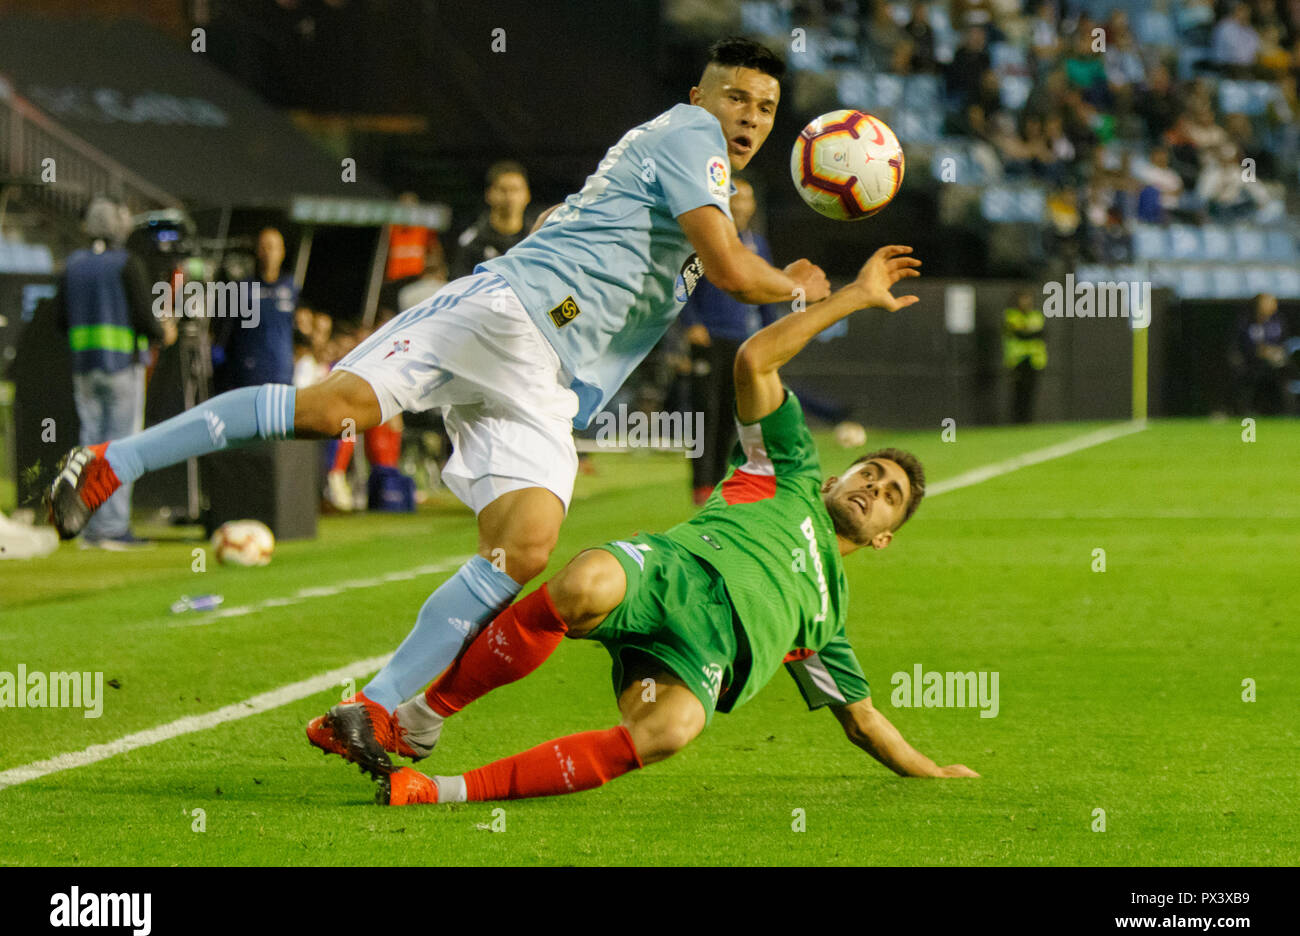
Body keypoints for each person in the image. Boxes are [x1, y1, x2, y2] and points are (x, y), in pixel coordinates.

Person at [46, 38, 831, 754]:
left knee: (523, 545)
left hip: (547, 382)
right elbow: (732, 273)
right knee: (331, 412)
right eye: (736, 98)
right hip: (509, 313)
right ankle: (111, 462)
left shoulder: (697, 171)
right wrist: (795, 286)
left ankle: (375, 707)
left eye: (764, 108)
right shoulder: (689, 136)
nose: (750, 118)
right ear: (700, 97)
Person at [323, 246, 977, 805]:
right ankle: (422, 719)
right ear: (838, 478)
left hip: (691, 663)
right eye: (870, 474)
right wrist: (856, 297)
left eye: (890, 495)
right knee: (585, 584)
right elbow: (754, 361)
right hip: (665, 577)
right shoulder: (791, 469)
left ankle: (441, 792)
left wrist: (932, 771)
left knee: (671, 731)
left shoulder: (827, 619)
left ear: (884, 536)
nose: (874, 488)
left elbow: (862, 721)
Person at [55, 198, 176, 549]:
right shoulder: (126, 263)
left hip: (84, 370)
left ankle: (88, 526)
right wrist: (162, 332)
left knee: (91, 445)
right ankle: (112, 527)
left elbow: (59, 320)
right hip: (122, 367)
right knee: (121, 445)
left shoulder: (73, 264)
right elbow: (144, 317)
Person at [679, 175, 783, 504]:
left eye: (746, 199)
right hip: (710, 338)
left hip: (743, 341)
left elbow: (767, 291)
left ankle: (721, 479)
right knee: (702, 414)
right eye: (734, 198)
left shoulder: (757, 243)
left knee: (731, 414)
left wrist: (773, 333)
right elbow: (682, 283)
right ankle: (700, 483)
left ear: (753, 205)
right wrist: (691, 323)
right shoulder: (707, 237)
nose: (740, 205)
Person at [210, 227, 298, 393]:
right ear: (257, 251)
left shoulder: (291, 287)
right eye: (264, 247)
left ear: (282, 251)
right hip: (248, 374)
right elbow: (224, 330)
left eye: (273, 247)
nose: (268, 253)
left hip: (281, 374)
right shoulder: (242, 288)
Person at [450, 161, 532, 279]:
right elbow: (458, 285)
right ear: (489, 194)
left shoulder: (537, 239)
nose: (509, 197)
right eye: (503, 190)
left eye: (515, 190)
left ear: (527, 195)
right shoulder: (471, 242)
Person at [1003, 289, 1046, 424]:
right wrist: (1029, 331)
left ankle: (1028, 422)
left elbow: (1040, 333)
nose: (1026, 302)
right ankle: (1016, 422)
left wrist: (1026, 331)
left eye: (1028, 299)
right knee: (1017, 393)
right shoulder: (1011, 315)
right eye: (1023, 298)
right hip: (1017, 361)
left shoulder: (1036, 315)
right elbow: (1020, 334)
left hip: (1034, 361)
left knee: (1030, 393)